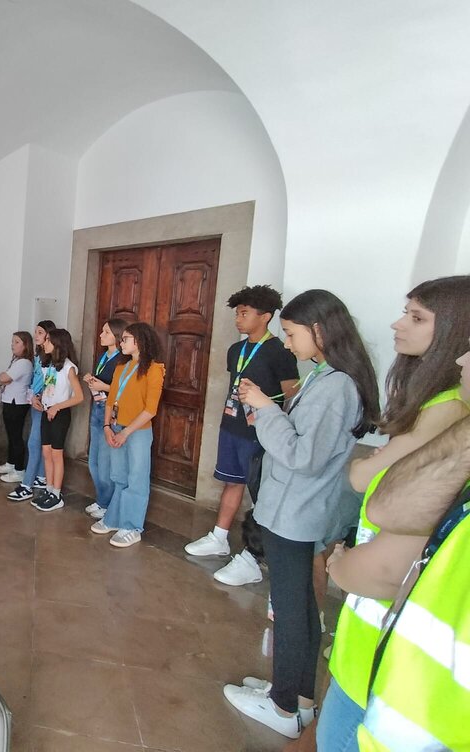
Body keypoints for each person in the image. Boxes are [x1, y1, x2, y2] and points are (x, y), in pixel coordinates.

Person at [316, 276, 470, 751]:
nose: (398, 324)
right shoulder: (435, 404)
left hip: (400, 661)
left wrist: (343, 566)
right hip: (375, 631)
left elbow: (367, 481)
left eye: (417, 317)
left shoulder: (449, 412)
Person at [223, 289, 379, 739]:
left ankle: (285, 706)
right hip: (295, 505)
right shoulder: (326, 376)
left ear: (319, 330)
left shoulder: (337, 385)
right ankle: (298, 698)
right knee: (301, 608)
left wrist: (266, 409)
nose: (288, 344)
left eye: (291, 335)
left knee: (292, 611)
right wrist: (270, 413)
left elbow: (302, 456)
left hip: (296, 509)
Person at [350, 373, 470, 751]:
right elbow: (382, 505)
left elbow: (367, 485)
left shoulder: (448, 409)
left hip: (421, 713)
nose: (463, 360)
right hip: (391, 684)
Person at [184, 285, 299, 586]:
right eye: (237, 314)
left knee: (263, 492)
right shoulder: (236, 350)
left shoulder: (279, 352)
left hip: (262, 433)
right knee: (231, 481)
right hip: (232, 426)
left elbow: (291, 396)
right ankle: (219, 536)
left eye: (244, 314)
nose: (238, 319)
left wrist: (272, 416)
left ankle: (256, 554)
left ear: (265, 317)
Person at [90, 322, 165, 547]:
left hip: (137, 431)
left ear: (139, 341)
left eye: (125, 339)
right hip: (116, 427)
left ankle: (132, 526)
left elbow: (150, 409)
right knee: (118, 476)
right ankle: (114, 518)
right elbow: (111, 400)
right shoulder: (122, 367)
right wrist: (107, 427)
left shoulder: (154, 369)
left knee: (136, 478)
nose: (121, 342)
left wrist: (126, 432)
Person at [31, 328, 84, 512]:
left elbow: (79, 397)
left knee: (56, 454)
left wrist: (57, 407)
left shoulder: (69, 368)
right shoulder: (49, 365)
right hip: (47, 411)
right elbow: (48, 388)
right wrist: (38, 398)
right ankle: (48, 488)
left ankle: (56, 493)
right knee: (46, 452)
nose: (44, 343)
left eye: (48, 340)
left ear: (58, 344)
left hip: (60, 414)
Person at [82, 319, 128, 521]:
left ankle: (106, 503)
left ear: (117, 336)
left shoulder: (122, 360)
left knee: (105, 462)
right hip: (98, 407)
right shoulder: (104, 356)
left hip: (111, 411)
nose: (101, 335)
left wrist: (103, 387)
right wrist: (92, 381)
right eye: (102, 331)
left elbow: (124, 390)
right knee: (93, 460)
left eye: (106, 332)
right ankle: (102, 499)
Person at [6, 320, 57, 502]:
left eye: (40, 332)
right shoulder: (38, 357)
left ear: (49, 335)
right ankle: (40, 477)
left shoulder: (53, 359)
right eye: (36, 332)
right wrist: (33, 396)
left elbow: (51, 383)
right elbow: (34, 382)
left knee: (35, 443)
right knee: (39, 443)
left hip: (45, 405)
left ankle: (27, 485)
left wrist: (40, 397)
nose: (36, 335)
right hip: (35, 403)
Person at [0, 331, 34, 485]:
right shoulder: (17, 361)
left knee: (16, 436)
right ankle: (10, 463)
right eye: (12, 342)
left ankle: (19, 470)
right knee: (11, 434)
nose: (12, 345)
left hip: (17, 403)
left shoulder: (24, 363)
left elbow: (4, 378)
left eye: (17, 342)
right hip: (10, 401)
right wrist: (4, 378)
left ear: (26, 345)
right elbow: (3, 379)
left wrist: (4, 377)